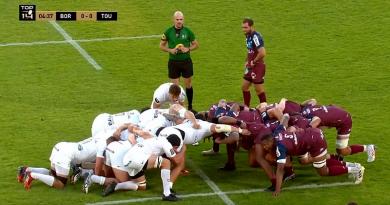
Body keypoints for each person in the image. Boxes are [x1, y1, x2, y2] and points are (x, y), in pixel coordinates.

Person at [301, 105, 376, 162]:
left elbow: (310, 131)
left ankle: (368, 148)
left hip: (344, 121)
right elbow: (313, 101)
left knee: (342, 150)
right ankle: (334, 158)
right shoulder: (305, 110)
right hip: (336, 113)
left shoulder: (311, 121)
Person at [18, 137, 97, 190]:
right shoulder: (102, 150)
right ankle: (32, 175)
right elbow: (84, 164)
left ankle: (25, 169)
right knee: (61, 184)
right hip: (65, 154)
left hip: (60, 146)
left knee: (52, 174)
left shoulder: (96, 138)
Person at [160, 11, 199, 110]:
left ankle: (190, 107)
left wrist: (188, 49)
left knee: (188, 85)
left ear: (183, 20)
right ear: (173, 20)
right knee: (175, 88)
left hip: (186, 62)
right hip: (173, 63)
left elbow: (196, 45)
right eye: (177, 19)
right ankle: (177, 108)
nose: (179, 21)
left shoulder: (188, 31)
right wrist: (170, 50)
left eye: (181, 19)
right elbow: (161, 45)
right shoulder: (168, 32)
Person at [241, 18, 267, 107]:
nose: (243, 30)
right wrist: (246, 61)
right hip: (250, 66)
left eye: (246, 27)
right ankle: (246, 108)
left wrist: (253, 61)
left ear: (251, 27)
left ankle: (264, 109)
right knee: (244, 87)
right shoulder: (247, 36)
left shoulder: (256, 37)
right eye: (243, 27)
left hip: (257, 66)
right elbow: (250, 50)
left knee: (259, 90)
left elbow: (262, 52)